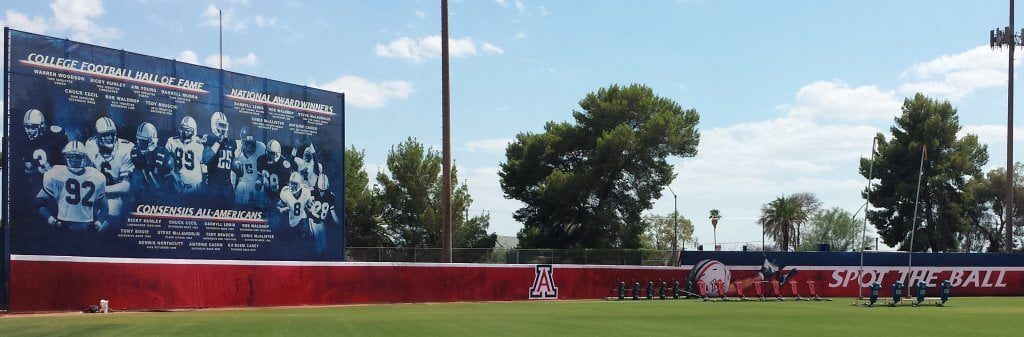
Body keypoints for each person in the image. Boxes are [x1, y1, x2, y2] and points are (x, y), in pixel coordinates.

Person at [36, 141, 107, 233]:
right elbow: (39, 203)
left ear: (85, 157)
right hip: (63, 226)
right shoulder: (56, 173)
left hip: (87, 227)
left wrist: (97, 224)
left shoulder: (96, 176)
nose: (75, 160)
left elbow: (105, 207)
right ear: (66, 157)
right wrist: (53, 222)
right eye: (71, 157)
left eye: (78, 157)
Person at [84, 117, 134, 219]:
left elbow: (126, 186)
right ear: (97, 135)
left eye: (112, 133)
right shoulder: (90, 145)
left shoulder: (126, 148)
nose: (110, 137)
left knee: (105, 220)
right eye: (105, 134)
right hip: (94, 194)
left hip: (115, 196)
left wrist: (101, 190)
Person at [130, 122, 177, 202]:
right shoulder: (135, 153)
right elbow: (139, 179)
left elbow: (173, 186)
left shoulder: (162, 154)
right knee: (135, 174)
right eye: (138, 140)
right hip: (148, 192)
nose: (138, 143)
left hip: (164, 195)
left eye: (142, 141)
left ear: (152, 141)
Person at [21, 108, 68, 186]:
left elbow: (67, 160)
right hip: (40, 183)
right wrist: (42, 171)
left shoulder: (56, 134)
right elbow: (28, 170)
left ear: (41, 126)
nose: (28, 130)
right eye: (26, 126)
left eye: (32, 127)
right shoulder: (25, 142)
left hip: (60, 180)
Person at [165, 116, 204, 194]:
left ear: (194, 131)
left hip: (194, 186)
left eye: (188, 130)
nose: (185, 132)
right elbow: (166, 161)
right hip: (177, 184)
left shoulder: (198, 144)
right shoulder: (172, 141)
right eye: (183, 129)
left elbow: (203, 165)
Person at [204, 111, 236, 205]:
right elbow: (206, 159)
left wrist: (237, 166)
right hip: (214, 188)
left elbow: (232, 163)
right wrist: (218, 142)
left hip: (227, 188)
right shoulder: (209, 140)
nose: (222, 129)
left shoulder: (232, 142)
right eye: (220, 125)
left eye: (224, 126)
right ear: (214, 125)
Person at [232, 126, 266, 207]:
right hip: (244, 182)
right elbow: (233, 174)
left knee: (261, 202)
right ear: (242, 142)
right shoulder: (237, 151)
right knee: (240, 189)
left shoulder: (261, 148)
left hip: (257, 181)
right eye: (247, 143)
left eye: (252, 143)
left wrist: (261, 179)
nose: (250, 146)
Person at [306, 174, 338, 254]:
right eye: (320, 190)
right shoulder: (311, 191)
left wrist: (339, 223)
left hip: (322, 223)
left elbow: (333, 213)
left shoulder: (330, 196)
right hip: (312, 221)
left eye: (323, 191)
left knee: (324, 247)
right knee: (318, 247)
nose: (321, 193)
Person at [257, 139, 293, 206]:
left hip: (279, 198)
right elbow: (259, 176)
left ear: (278, 153)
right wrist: (259, 181)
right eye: (268, 152)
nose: (269, 156)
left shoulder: (284, 165)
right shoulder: (261, 159)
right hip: (265, 195)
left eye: (272, 153)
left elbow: (289, 187)